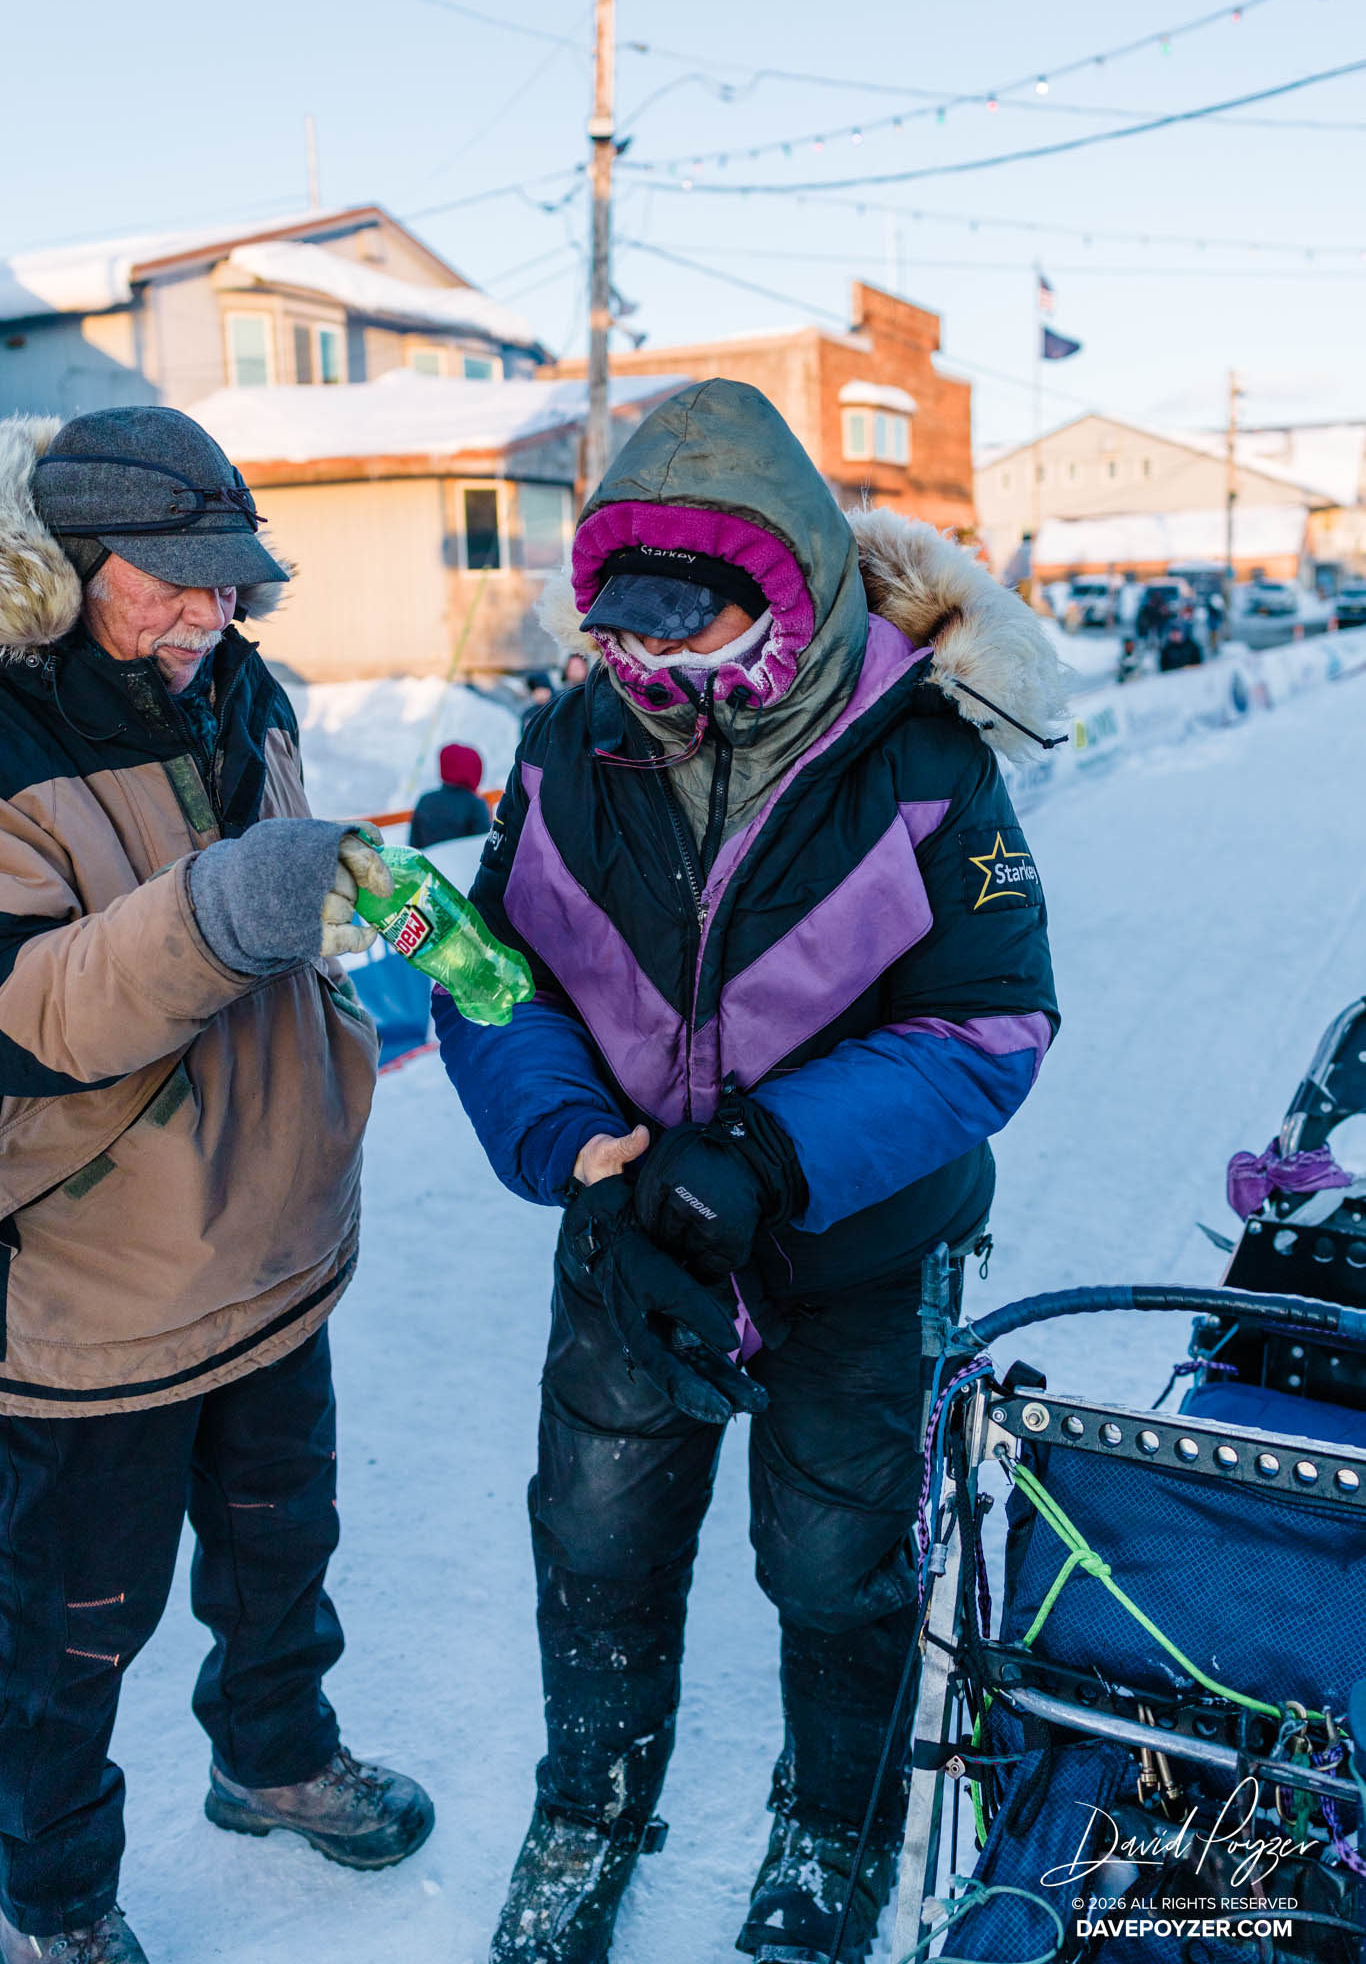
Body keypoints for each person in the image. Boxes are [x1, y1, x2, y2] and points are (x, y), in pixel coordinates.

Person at [435, 380, 1063, 1964]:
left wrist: (769, 1159)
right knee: (596, 1532)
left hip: (853, 1246)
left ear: (780, 596)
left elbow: (988, 1026)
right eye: (623, 628)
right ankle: (586, 1810)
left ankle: (831, 1828)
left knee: (838, 1559)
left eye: (685, 629)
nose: (645, 667)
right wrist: (583, 1153)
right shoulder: (568, 743)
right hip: (632, 1228)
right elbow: (492, 975)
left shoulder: (921, 758)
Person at [0, 408, 433, 1964]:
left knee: (278, 1550)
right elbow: (27, 1016)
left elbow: (287, 912)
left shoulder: (245, 689)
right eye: (169, 581)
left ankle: (274, 1760)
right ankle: (56, 1900)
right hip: (93, 1289)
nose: (210, 612)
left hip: (273, 1242)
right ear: (61, 570)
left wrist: (360, 954)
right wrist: (224, 907)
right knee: (71, 1630)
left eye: (228, 576)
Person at [409, 742, 491, 849]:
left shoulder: (425, 800)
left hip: (429, 859)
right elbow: (485, 847)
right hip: (462, 860)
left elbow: (414, 846)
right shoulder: (475, 804)